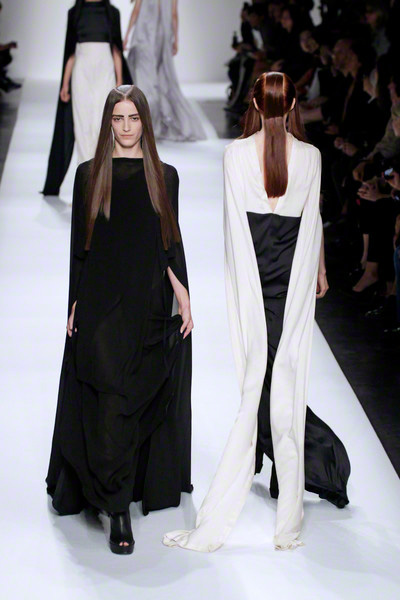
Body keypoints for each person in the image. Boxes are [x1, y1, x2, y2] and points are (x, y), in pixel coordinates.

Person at [163, 72, 350, 553]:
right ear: (293, 106)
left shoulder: (234, 155)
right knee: (283, 386)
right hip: (290, 284)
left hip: (255, 283)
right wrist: (319, 270)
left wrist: (244, 285)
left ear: (253, 103)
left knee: (258, 386)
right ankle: (293, 508)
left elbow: (236, 233)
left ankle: (281, 476)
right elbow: (312, 223)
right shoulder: (312, 157)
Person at [46, 84, 193, 555]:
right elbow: (80, 246)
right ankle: (116, 509)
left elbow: (170, 241)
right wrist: (73, 302)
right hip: (101, 303)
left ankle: (121, 489)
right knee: (109, 400)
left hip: (147, 303)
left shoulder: (164, 176)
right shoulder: (89, 175)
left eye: (134, 118)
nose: (127, 127)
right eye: (118, 118)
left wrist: (183, 294)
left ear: (144, 122)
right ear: (108, 122)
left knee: (134, 397)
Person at [42, 0, 132, 197]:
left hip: (105, 70)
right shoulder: (75, 12)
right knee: (82, 127)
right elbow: (71, 51)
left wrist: (119, 83)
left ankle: (103, 184)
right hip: (81, 71)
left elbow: (116, 50)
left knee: (102, 125)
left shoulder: (112, 13)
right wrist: (65, 83)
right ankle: (86, 187)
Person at [124, 0, 206, 141]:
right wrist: (175, 39)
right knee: (155, 83)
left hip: (143, 39)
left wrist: (127, 36)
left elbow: (136, 11)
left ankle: (146, 125)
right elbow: (173, 14)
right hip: (160, 42)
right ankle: (150, 125)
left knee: (145, 83)